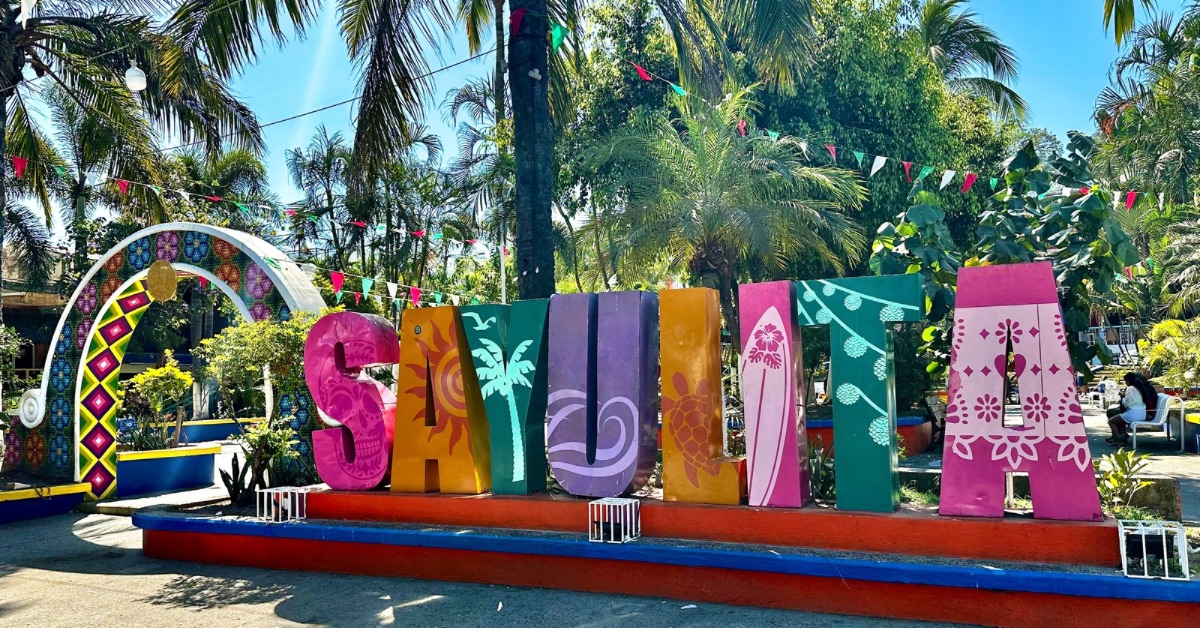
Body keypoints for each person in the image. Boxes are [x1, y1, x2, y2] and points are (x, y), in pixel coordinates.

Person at [1106, 372, 1158, 445]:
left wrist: (1123, 397)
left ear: (1128, 381)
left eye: (1126, 381)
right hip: (1142, 413)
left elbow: (1127, 404)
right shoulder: (1140, 387)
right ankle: (1121, 435)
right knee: (1118, 416)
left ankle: (1119, 438)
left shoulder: (1131, 388)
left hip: (1134, 413)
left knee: (1111, 421)